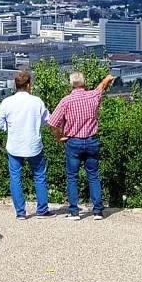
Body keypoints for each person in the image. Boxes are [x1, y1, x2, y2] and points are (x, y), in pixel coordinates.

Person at [48, 71, 116, 220]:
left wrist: (59, 137)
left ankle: (74, 211)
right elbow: (102, 86)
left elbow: (52, 123)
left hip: (73, 142)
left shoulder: (66, 101)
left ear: (71, 84)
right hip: (91, 140)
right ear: (84, 82)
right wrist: (108, 78)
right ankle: (97, 211)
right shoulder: (93, 96)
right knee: (93, 175)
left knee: (72, 177)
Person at [0, 70, 52, 220]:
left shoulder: (7, 102)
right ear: (28, 85)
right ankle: (42, 210)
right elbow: (48, 120)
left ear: (15, 85)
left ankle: (20, 212)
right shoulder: (36, 101)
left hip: (14, 144)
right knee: (39, 176)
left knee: (15, 177)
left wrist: (8, 128)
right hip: (33, 144)